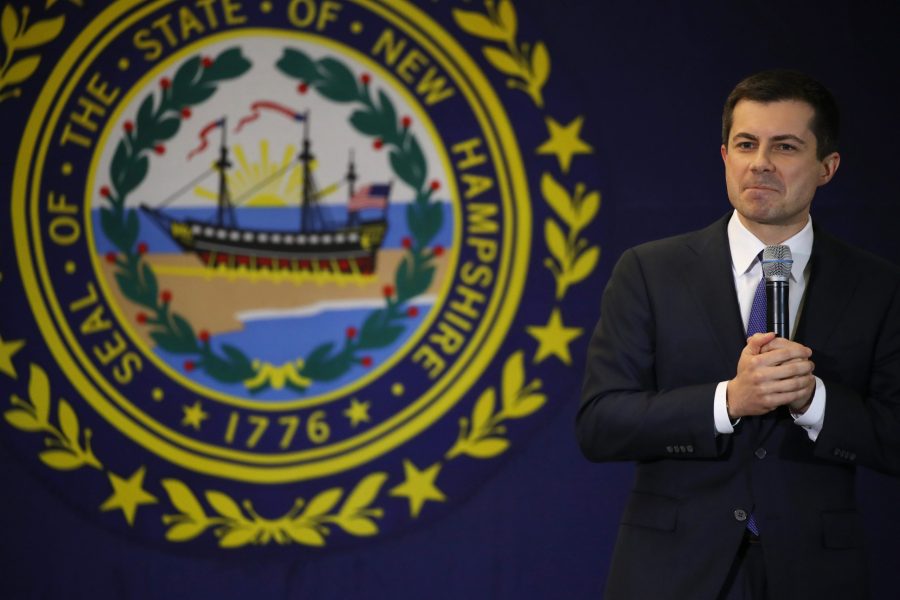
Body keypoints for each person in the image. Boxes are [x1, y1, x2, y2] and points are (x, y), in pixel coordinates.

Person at [577, 69, 900, 599]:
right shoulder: (648, 272)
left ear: (827, 167)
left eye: (786, 146)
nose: (761, 163)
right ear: (725, 155)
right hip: (671, 574)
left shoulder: (878, 286)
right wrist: (728, 400)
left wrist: (813, 400)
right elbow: (600, 424)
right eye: (746, 143)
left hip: (816, 575)